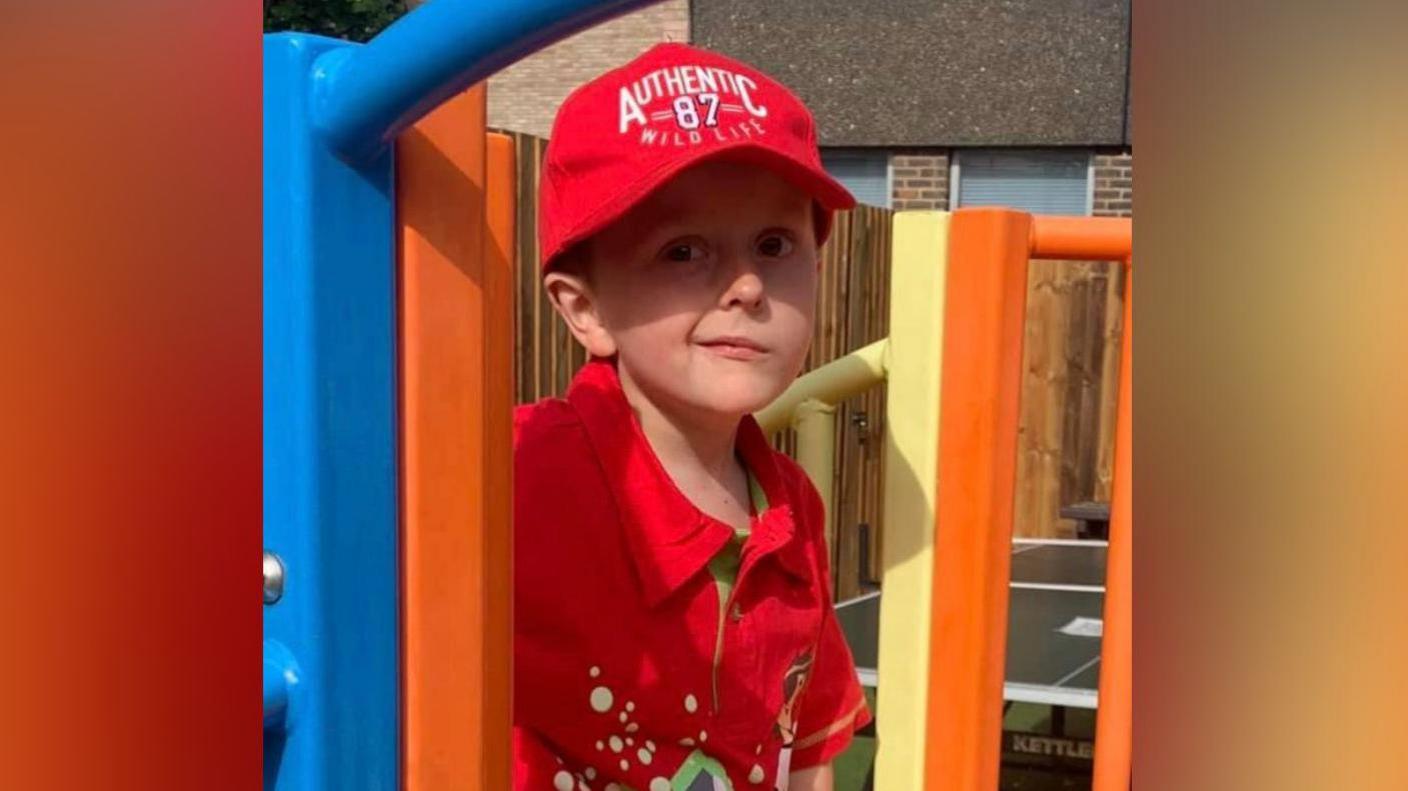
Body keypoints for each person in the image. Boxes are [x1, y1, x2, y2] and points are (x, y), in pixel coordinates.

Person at [514, 42, 869, 791]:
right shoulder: (515, 473)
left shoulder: (790, 509)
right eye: (683, 251)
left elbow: (804, 746)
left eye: (775, 244)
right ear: (586, 309)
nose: (745, 284)